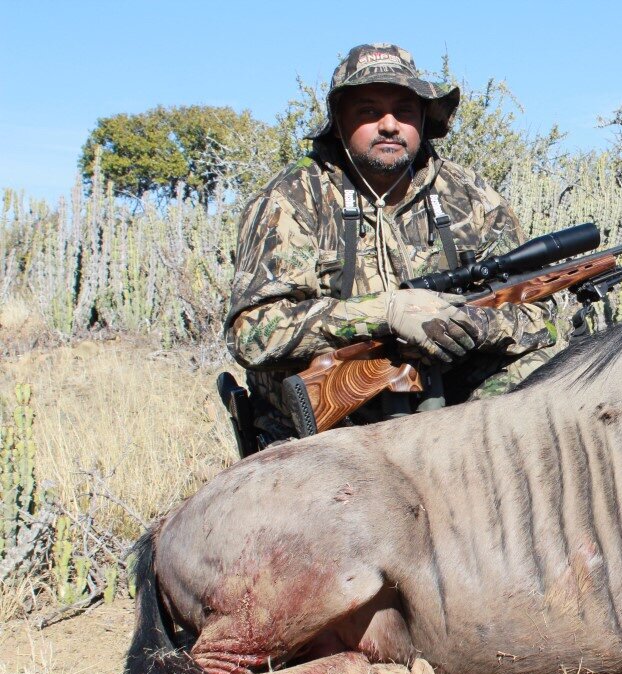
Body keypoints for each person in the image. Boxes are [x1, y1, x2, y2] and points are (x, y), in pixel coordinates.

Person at [224, 44, 559, 442]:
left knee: (549, 371)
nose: (389, 125)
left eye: (403, 111)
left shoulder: (471, 196)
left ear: (423, 118)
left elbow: (541, 314)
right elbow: (253, 333)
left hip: (454, 406)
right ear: (338, 122)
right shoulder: (290, 199)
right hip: (328, 426)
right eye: (368, 111)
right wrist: (384, 312)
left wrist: (470, 323)